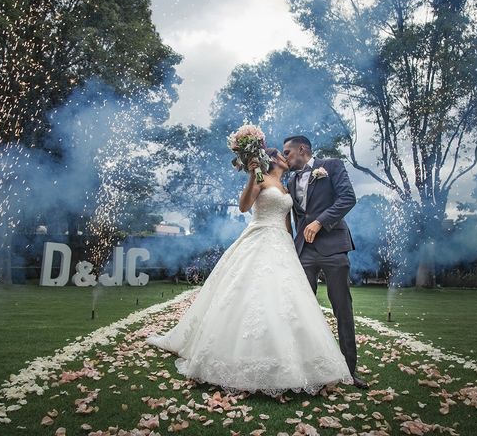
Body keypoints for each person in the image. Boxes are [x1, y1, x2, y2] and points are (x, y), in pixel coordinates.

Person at [146, 148, 352, 396]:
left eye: (288, 153)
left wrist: (290, 246)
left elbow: (288, 221)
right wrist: (252, 175)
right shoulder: (261, 179)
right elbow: (244, 207)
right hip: (259, 237)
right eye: (282, 154)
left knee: (283, 300)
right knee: (251, 294)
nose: (287, 158)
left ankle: (292, 359)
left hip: (281, 245)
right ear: (272, 159)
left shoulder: (287, 185)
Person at [282, 135, 368, 389]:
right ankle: (304, 368)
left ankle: (349, 371)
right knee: (300, 308)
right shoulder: (291, 178)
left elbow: (347, 199)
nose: (285, 158)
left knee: (342, 308)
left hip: (333, 247)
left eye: (287, 152)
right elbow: (297, 215)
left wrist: (320, 222)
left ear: (302, 149)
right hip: (304, 251)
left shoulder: (331, 166)